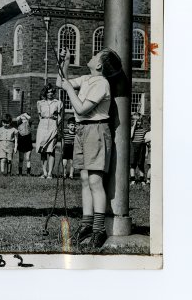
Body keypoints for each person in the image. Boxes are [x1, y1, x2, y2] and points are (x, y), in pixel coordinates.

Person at [57, 47, 122, 249]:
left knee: (95, 180)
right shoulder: (87, 79)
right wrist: (65, 62)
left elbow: (82, 108)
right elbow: (61, 82)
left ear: (100, 64)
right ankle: (86, 225)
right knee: (85, 179)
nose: (92, 55)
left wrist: (69, 90)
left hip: (96, 130)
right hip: (82, 131)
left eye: (96, 55)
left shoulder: (102, 83)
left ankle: (99, 229)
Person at [36, 84, 62, 179]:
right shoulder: (40, 103)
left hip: (52, 125)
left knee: (51, 150)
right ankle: (44, 172)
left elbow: (60, 116)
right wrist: (43, 122)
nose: (50, 94)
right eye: (48, 92)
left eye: (51, 92)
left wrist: (56, 124)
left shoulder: (58, 103)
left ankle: (50, 173)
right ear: (45, 93)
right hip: (42, 126)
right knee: (42, 149)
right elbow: (39, 115)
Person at [130, 112, 147, 185]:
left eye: (138, 121)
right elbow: (131, 136)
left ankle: (142, 179)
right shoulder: (131, 129)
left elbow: (146, 139)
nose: (137, 123)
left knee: (141, 163)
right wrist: (134, 125)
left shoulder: (143, 130)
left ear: (141, 121)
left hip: (141, 147)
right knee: (132, 163)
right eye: (134, 120)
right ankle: (133, 179)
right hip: (133, 146)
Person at [143, 117, 151, 186]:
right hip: (151, 152)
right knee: (151, 166)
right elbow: (146, 142)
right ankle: (148, 180)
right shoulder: (148, 133)